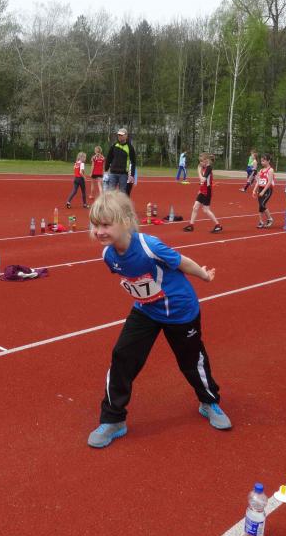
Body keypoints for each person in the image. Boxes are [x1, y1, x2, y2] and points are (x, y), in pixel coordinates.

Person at [85, 190, 232, 448]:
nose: (99, 231)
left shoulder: (149, 246)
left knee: (192, 361)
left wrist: (204, 275)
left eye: (106, 225)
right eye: (96, 225)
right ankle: (113, 419)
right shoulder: (108, 255)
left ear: (126, 221)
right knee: (122, 357)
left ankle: (209, 402)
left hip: (180, 311)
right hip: (146, 310)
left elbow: (182, 262)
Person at [183, 152, 222, 233]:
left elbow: (203, 179)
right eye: (200, 161)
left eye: (201, 161)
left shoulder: (209, 168)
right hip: (202, 190)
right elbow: (203, 182)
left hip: (207, 191)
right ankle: (191, 225)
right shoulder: (204, 167)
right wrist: (200, 189)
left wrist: (198, 171)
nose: (200, 163)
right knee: (195, 207)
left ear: (206, 160)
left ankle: (218, 225)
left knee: (206, 210)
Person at [104, 128, 135, 192]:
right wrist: (106, 170)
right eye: (119, 135)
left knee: (122, 193)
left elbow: (133, 162)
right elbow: (109, 158)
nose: (119, 136)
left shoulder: (130, 148)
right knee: (110, 192)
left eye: (121, 135)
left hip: (124, 174)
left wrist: (132, 175)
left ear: (126, 136)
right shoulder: (114, 146)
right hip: (113, 173)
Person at [252, 153, 275, 228]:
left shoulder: (270, 170)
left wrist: (263, 191)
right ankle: (261, 222)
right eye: (261, 161)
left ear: (268, 161)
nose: (262, 162)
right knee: (260, 206)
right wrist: (254, 190)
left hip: (267, 190)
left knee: (262, 204)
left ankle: (270, 219)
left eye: (264, 161)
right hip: (260, 189)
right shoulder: (261, 170)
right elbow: (258, 181)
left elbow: (269, 182)